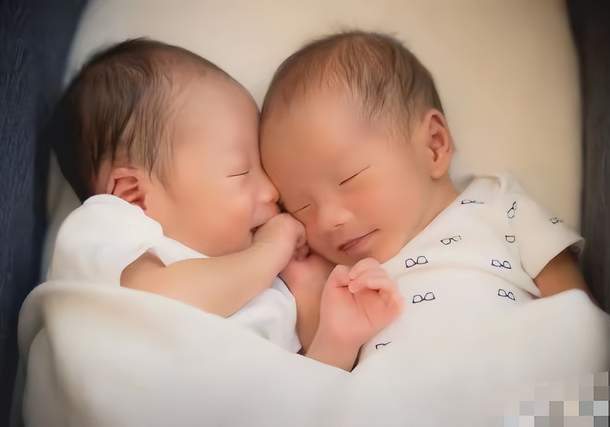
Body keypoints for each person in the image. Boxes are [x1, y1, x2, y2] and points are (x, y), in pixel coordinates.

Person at [49, 38, 402, 370]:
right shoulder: (107, 229)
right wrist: (270, 250)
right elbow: (161, 302)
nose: (272, 191)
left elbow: (307, 388)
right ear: (133, 194)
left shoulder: (271, 288)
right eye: (241, 172)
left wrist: (334, 332)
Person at [260, 30, 590, 362]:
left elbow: (575, 315)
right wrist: (312, 297)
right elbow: (322, 378)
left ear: (433, 145)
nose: (328, 219)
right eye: (302, 207)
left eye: (349, 178)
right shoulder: (340, 281)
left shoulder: (501, 205)